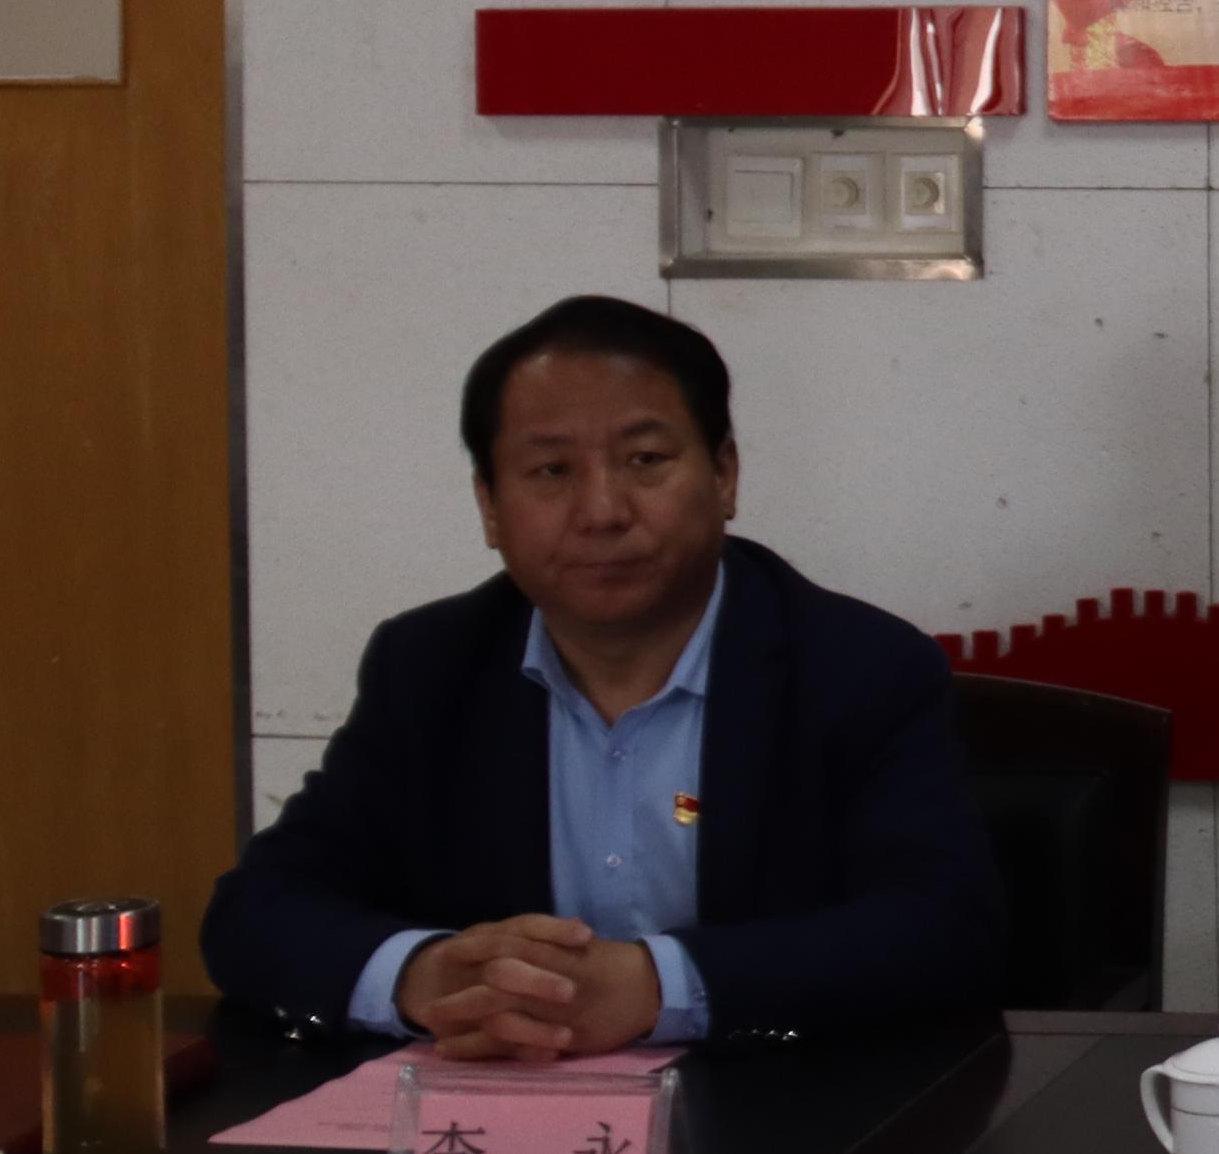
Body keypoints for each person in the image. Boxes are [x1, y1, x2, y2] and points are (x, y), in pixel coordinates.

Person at [206, 297, 1006, 1050]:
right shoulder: (429, 666)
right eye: (551, 471)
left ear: (724, 474)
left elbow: (945, 929)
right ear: (490, 505)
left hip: (783, 1122)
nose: (602, 511)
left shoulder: (859, 666)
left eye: (645, 459)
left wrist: (657, 987)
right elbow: (257, 910)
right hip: (501, 1123)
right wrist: (424, 975)